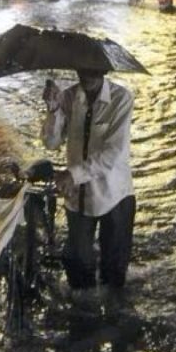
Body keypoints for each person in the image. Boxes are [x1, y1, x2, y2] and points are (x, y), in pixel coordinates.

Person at [41, 70, 136, 302]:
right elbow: (51, 142)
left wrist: (73, 174)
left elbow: (112, 153)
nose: (87, 75)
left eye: (93, 69)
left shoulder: (121, 98)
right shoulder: (69, 97)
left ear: (104, 70)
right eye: (82, 69)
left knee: (113, 274)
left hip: (114, 195)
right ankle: (83, 318)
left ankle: (114, 317)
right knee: (78, 271)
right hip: (78, 197)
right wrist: (53, 109)